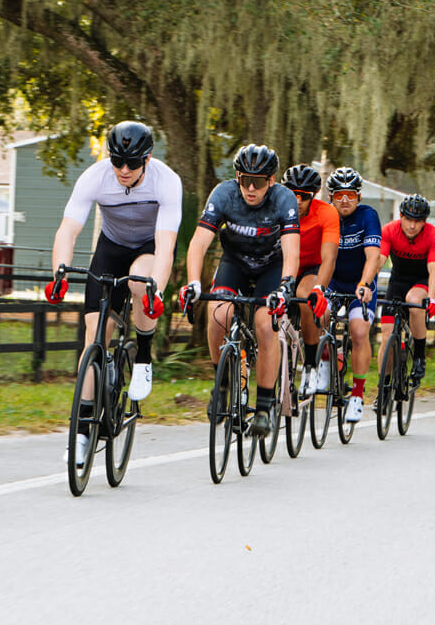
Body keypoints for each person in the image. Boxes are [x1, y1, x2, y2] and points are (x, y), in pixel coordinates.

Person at [47, 121, 182, 463]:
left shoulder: (166, 181)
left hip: (150, 247)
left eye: (132, 164)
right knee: (95, 334)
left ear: (147, 160)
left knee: (139, 281)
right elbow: (67, 230)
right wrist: (59, 273)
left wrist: (157, 291)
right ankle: (80, 433)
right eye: (117, 161)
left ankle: (143, 356)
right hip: (111, 247)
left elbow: (166, 246)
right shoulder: (95, 177)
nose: (123, 170)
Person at [182, 144, 300, 437]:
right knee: (218, 312)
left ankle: (262, 407)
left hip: (270, 267)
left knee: (264, 324)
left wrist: (286, 285)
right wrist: (194, 282)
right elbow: (198, 243)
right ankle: (221, 384)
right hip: (234, 262)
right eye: (244, 179)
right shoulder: (224, 194)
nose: (250, 187)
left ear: (271, 181)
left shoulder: (284, 199)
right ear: (237, 176)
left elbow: (291, 251)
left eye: (258, 182)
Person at [321, 167, 382, 423]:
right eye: (338, 195)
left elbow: (373, 256)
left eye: (350, 195)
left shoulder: (368, 216)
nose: (344, 200)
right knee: (318, 314)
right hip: (333, 281)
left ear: (358, 196)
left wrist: (365, 283)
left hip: (361, 283)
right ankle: (326, 359)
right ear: (331, 197)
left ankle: (357, 396)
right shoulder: (326, 216)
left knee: (358, 332)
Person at [280, 164, 340, 396]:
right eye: (291, 194)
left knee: (306, 298)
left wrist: (319, 288)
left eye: (303, 196)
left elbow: (329, 258)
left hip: (310, 267)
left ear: (313, 196)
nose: (296, 200)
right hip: (284, 263)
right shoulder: (276, 208)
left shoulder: (326, 213)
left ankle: (310, 366)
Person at [376, 194, 435, 388]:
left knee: (414, 300)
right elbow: (379, 261)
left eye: (418, 221)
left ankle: (420, 356)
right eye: (408, 219)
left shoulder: (434, 235)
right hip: (397, 281)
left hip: (422, 281)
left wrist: (432, 299)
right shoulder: (389, 230)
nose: (412, 226)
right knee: (387, 337)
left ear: (425, 222)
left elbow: (434, 269)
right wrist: (366, 284)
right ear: (400, 216)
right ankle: (384, 387)